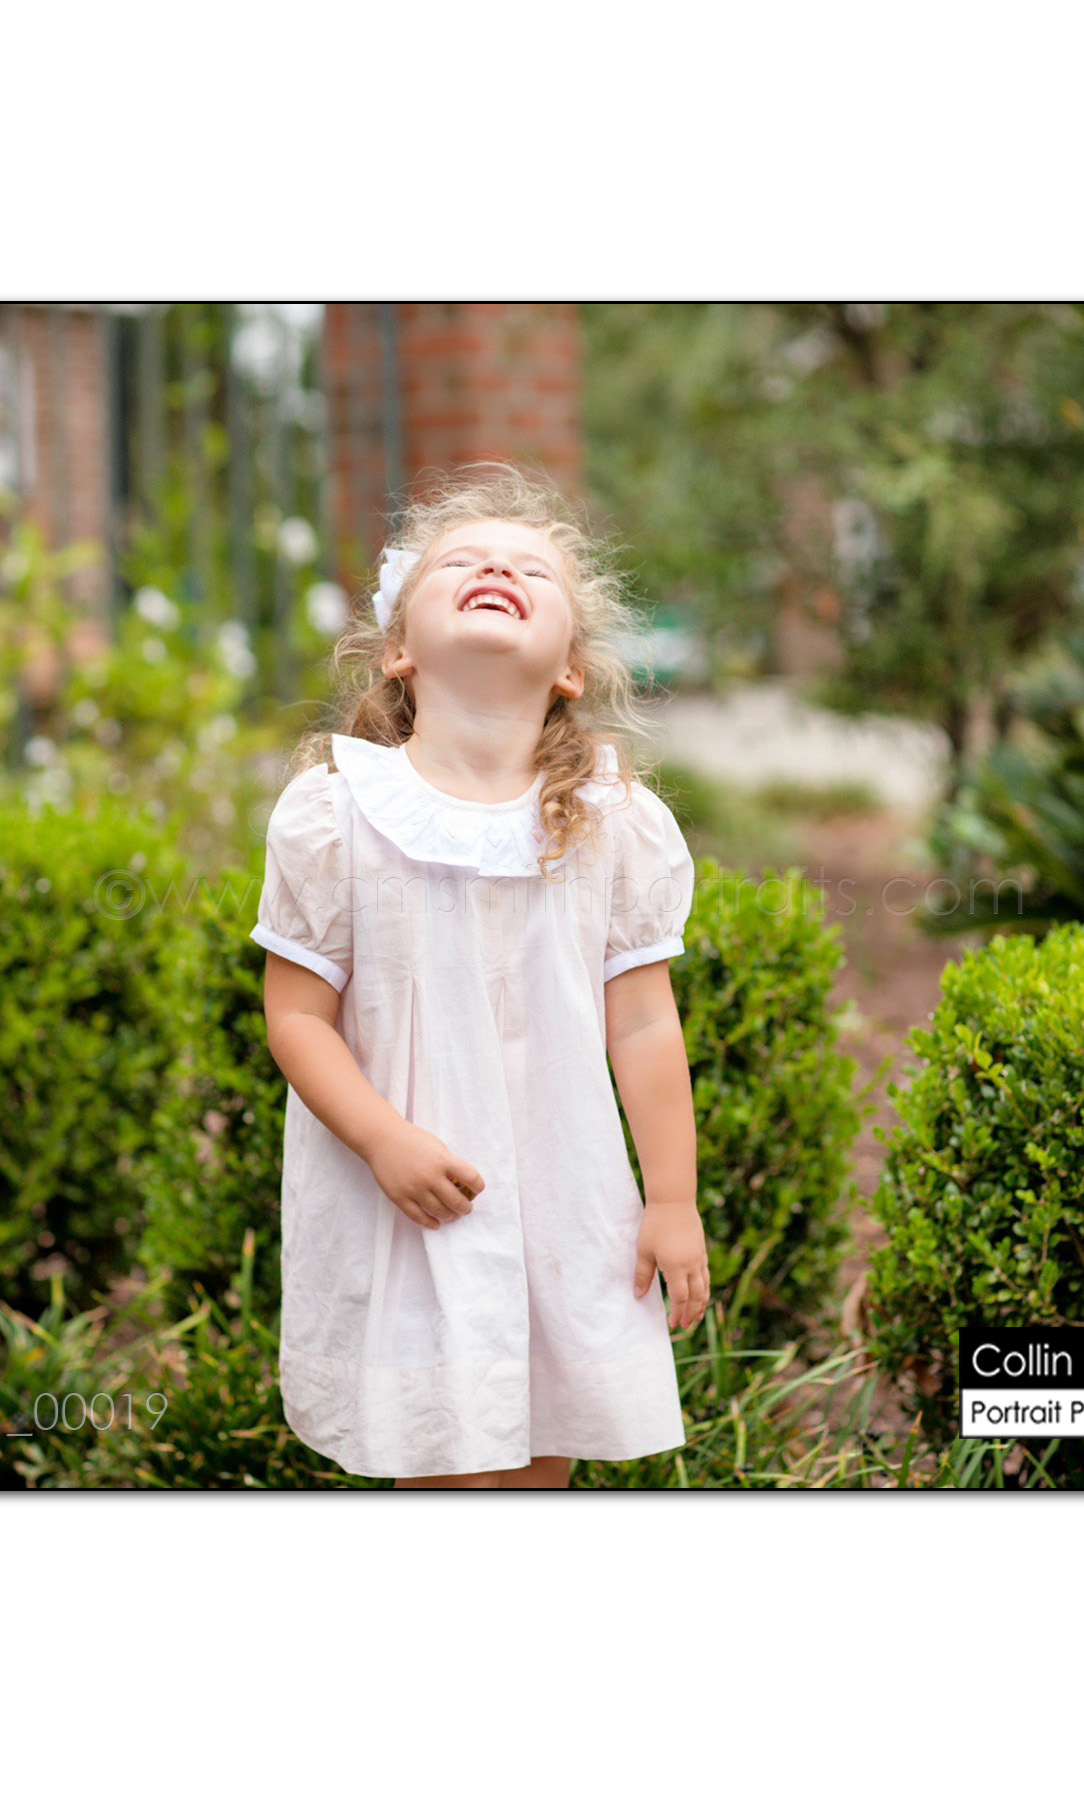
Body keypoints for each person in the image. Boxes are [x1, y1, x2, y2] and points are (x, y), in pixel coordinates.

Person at [252, 462, 709, 1488]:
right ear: (400, 651)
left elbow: (643, 1024)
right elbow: (295, 1017)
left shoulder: (614, 823)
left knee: (542, 1451)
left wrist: (671, 1199)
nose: (498, 568)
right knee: (433, 1455)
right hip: (412, 1196)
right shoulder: (335, 815)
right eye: (461, 561)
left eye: (531, 571)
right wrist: (383, 1139)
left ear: (570, 670)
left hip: (562, 1194)